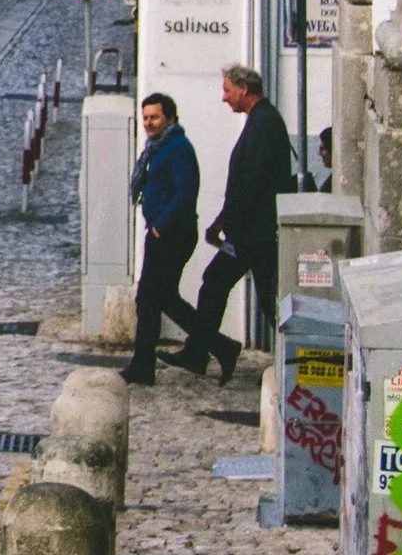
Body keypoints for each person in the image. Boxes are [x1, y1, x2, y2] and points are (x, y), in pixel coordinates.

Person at [166, 64, 295, 384]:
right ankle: (208, 352)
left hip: (255, 232)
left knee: (239, 289)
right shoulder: (262, 119)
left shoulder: (264, 123)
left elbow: (252, 182)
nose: (224, 98)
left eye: (227, 91)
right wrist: (223, 219)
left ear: (244, 89)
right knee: (252, 292)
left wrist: (228, 223)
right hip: (251, 230)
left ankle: (212, 352)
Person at [123, 91, 201, 386]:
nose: (149, 123)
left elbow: (185, 193)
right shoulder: (157, 148)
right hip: (161, 233)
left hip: (171, 235)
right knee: (159, 299)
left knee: (150, 299)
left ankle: (143, 367)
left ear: (169, 118)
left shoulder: (178, 148)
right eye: (145, 117)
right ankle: (219, 346)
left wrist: (160, 225)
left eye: (154, 117)